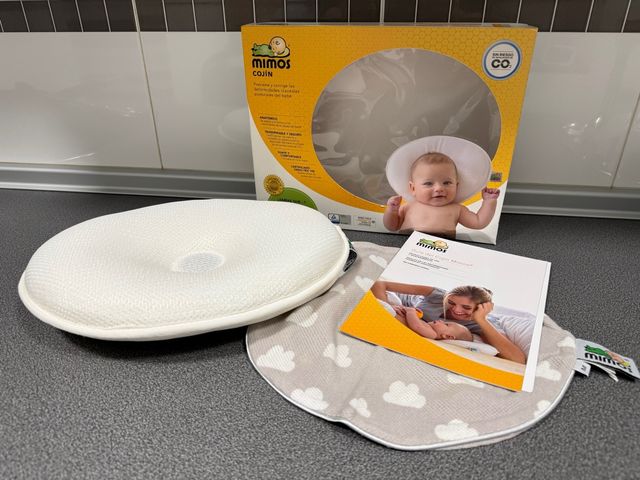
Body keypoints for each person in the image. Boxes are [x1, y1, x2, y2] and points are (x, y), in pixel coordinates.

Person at [371, 281, 527, 364]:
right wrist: (390, 306)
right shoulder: (438, 295)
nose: (456, 310)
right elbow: (380, 284)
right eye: (451, 303)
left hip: (411, 318)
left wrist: (481, 319)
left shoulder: (482, 324)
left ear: (480, 309)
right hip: (404, 305)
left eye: (466, 308)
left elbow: (517, 360)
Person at [383, 152, 500, 238]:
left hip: (442, 247)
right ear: (413, 188)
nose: (439, 188)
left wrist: (489, 201)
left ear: (456, 186)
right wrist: (391, 211)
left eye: (447, 183)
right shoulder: (409, 206)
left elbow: (479, 222)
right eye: (428, 183)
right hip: (407, 242)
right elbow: (392, 226)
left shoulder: (457, 209)